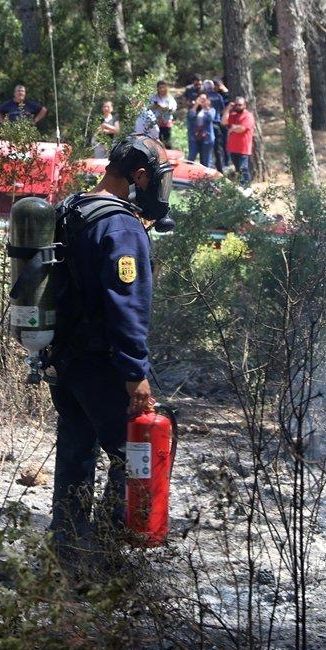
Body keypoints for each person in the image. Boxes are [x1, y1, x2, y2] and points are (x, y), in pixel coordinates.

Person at [47, 135, 168, 554]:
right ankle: (109, 550)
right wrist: (135, 375)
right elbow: (126, 306)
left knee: (76, 450)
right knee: (131, 452)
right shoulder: (120, 225)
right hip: (102, 363)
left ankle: (67, 550)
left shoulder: (72, 207)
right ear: (139, 176)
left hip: (64, 360)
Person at [224, 96, 256, 186]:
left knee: (243, 168)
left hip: (243, 148)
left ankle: (247, 188)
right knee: (238, 169)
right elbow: (223, 121)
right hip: (233, 148)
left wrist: (232, 128)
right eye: (236, 105)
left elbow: (241, 129)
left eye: (240, 105)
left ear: (244, 105)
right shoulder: (233, 115)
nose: (238, 106)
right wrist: (227, 109)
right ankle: (242, 187)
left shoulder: (248, 116)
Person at [187, 93, 216, 169]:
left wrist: (206, 107)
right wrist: (196, 105)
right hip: (194, 137)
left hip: (207, 139)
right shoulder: (193, 109)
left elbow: (210, 118)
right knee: (191, 157)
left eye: (204, 99)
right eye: (200, 99)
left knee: (206, 160)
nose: (202, 101)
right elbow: (190, 116)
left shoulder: (211, 110)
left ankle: (205, 178)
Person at [206, 80, 230, 172]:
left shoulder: (205, 96)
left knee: (209, 145)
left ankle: (209, 166)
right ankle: (220, 168)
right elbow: (223, 109)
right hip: (217, 123)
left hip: (208, 123)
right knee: (218, 146)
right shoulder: (218, 96)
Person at [149, 81, 178, 149]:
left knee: (167, 142)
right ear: (157, 88)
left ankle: (169, 157)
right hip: (156, 123)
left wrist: (163, 108)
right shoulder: (153, 97)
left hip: (166, 122)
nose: (162, 89)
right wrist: (154, 106)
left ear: (166, 88)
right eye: (160, 87)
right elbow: (148, 108)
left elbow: (173, 108)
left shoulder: (169, 98)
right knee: (156, 142)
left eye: (163, 87)